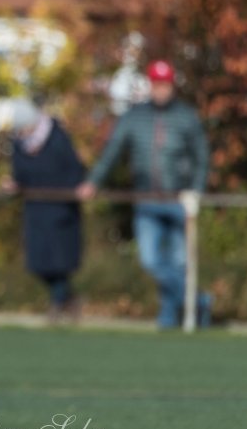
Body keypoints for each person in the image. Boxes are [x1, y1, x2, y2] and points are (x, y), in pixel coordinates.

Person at [76, 59, 211, 329]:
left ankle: (168, 315)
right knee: (150, 260)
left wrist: (195, 191)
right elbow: (113, 151)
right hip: (146, 199)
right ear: (150, 85)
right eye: (156, 84)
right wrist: (93, 182)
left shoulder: (186, 116)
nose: (160, 90)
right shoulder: (134, 117)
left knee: (179, 261)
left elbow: (202, 157)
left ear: (172, 85)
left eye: (165, 84)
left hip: (178, 200)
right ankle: (198, 301)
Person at [6, 102, 85, 321]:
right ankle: (66, 298)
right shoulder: (18, 144)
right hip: (36, 210)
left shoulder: (58, 138)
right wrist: (15, 183)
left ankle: (59, 302)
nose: (21, 133)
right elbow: (19, 173)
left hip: (61, 210)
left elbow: (76, 171)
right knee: (38, 264)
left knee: (59, 262)